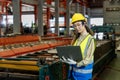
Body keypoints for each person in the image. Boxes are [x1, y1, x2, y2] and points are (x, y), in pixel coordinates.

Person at [61, 13, 96, 80]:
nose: (77, 28)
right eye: (75, 26)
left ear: (84, 24)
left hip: (84, 76)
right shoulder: (76, 39)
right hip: (74, 74)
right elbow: (73, 53)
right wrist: (66, 58)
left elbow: (87, 60)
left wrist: (76, 63)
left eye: (78, 25)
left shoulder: (90, 40)